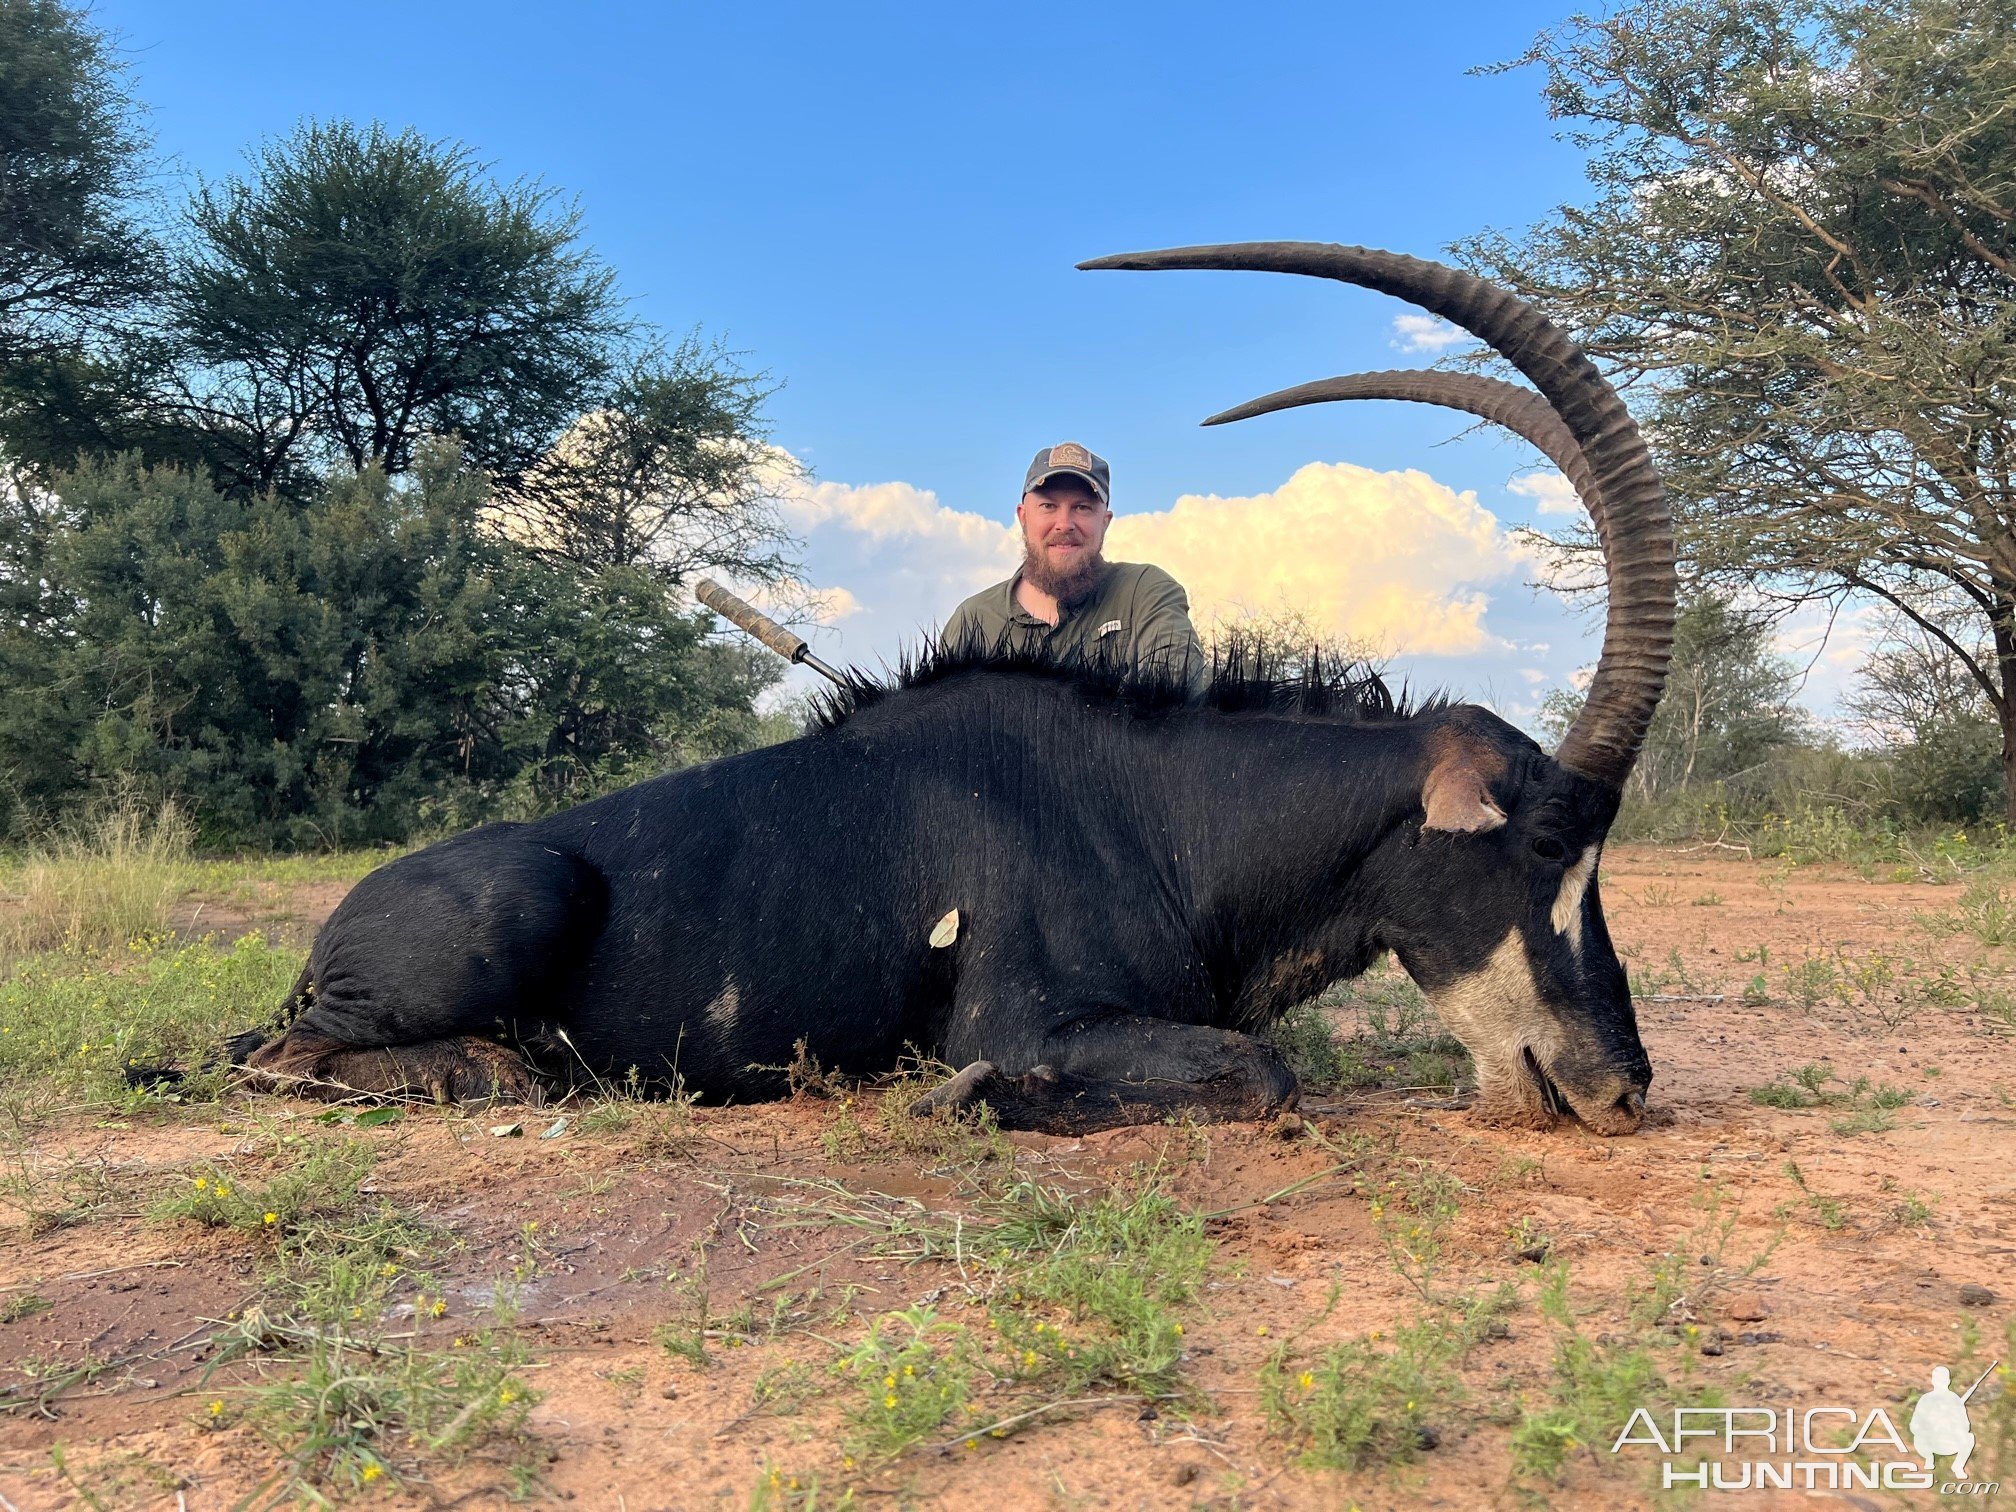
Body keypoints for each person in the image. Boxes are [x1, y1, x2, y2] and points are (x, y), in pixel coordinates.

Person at [942, 441, 1207, 698]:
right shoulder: (972, 620)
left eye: (1082, 507)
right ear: (1023, 517)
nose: (1064, 524)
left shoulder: (1146, 593)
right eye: (1049, 506)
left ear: (1104, 522)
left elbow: (1171, 695)